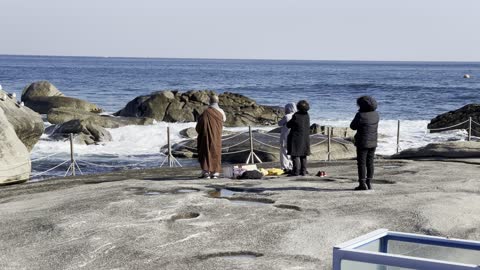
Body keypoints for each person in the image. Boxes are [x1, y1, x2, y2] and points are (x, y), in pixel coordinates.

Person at [350, 96, 379, 190]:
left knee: (361, 163)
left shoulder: (360, 115)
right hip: (373, 141)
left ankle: (362, 184)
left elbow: (352, 126)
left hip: (362, 142)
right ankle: (369, 183)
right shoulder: (376, 114)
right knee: (370, 162)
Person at [196, 95, 226, 179]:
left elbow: (199, 126)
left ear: (210, 102)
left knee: (205, 152)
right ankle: (215, 172)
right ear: (217, 101)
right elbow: (224, 120)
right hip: (216, 136)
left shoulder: (205, 112)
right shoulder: (221, 111)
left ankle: (206, 172)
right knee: (216, 153)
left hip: (205, 137)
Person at [286, 100, 311, 176]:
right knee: (303, 155)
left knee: (295, 155)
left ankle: (296, 171)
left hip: (296, 137)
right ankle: (303, 171)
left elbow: (289, 125)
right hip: (305, 137)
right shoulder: (307, 115)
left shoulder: (296, 115)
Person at [278, 102, 297, 173]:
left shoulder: (287, 116)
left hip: (285, 136)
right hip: (293, 137)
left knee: (284, 152)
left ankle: (284, 167)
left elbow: (279, 123)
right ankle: (291, 166)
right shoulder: (296, 115)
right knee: (291, 153)